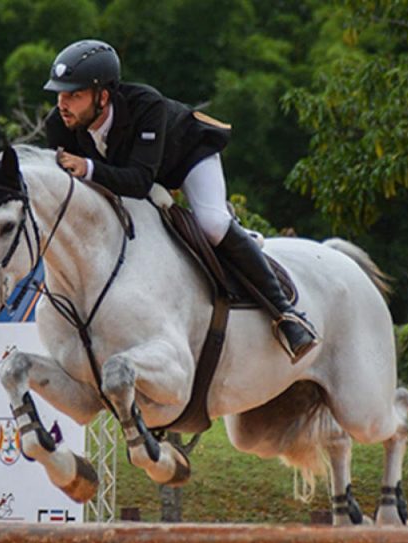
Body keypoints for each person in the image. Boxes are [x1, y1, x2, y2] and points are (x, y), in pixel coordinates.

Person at [43, 39, 318, 362]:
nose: (63, 104)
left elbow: (140, 179)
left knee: (212, 224)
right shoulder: (58, 125)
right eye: (60, 94)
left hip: (187, 157)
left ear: (103, 96)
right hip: (134, 176)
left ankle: (286, 315)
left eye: (74, 95)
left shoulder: (147, 105)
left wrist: (88, 167)